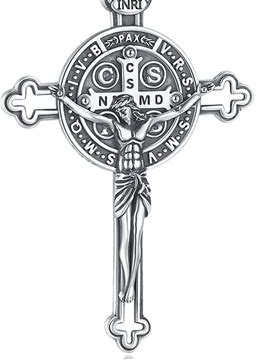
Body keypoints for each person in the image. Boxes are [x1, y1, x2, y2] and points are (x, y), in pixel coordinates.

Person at [51, 81, 215, 303]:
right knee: (124, 237)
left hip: (140, 180)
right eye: (118, 109)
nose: (119, 111)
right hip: (123, 181)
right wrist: (64, 99)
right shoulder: (115, 125)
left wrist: (197, 96)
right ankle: (126, 282)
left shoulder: (145, 124)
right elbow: (90, 116)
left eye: (122, 108)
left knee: (137, 235)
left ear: (129, 106)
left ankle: (130, 286)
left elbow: (175, 111)